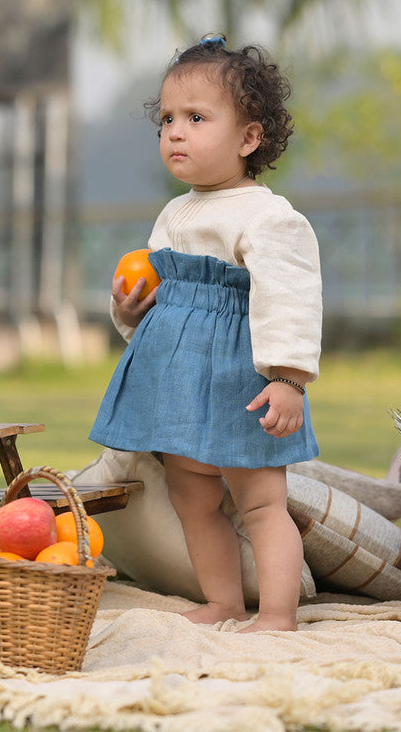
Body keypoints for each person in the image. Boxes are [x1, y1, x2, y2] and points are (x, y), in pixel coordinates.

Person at [89, 35, 322, 633]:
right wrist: (131, 307)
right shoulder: (175, 214)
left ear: (248, 138)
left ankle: (277, 614)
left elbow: (290, 300)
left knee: (262, 503)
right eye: (167, 119)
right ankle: (223, 601)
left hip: (239, 379)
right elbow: (168, 308)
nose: (175, 132)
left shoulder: (269, 217)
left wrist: (288, 380)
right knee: (193, 501)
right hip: (179, 383)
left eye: (196, 118)